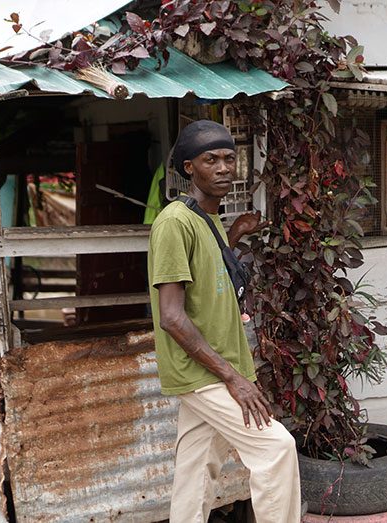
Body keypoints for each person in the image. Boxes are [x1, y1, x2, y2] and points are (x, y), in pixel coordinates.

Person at [148, 120, 301, 523]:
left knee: (195, 474)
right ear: (187, 168)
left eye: (229, 158)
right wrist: (232, 378)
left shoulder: (206, 219)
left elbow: (209, 273)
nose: (222, 167)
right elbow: (172, 317)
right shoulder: (174, 223)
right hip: (207, 372)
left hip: (218, 365)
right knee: (277, 449)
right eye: (209, 159)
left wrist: (233, 234)